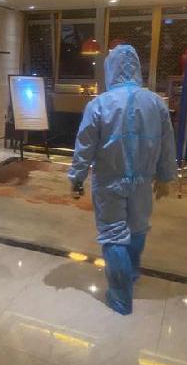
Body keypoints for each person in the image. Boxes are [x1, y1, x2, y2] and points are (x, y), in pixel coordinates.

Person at [69, 44, 176, 315]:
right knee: (137, 228)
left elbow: (85, 146)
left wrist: (77, 176)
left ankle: (120, 298)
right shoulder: (156, 103)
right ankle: (131, 273)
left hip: (109, 182)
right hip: (143, 182)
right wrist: (165, 176)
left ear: (111, 68)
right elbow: (167, 144)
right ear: (137, 67)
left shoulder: (99, 104)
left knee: (113, 234)